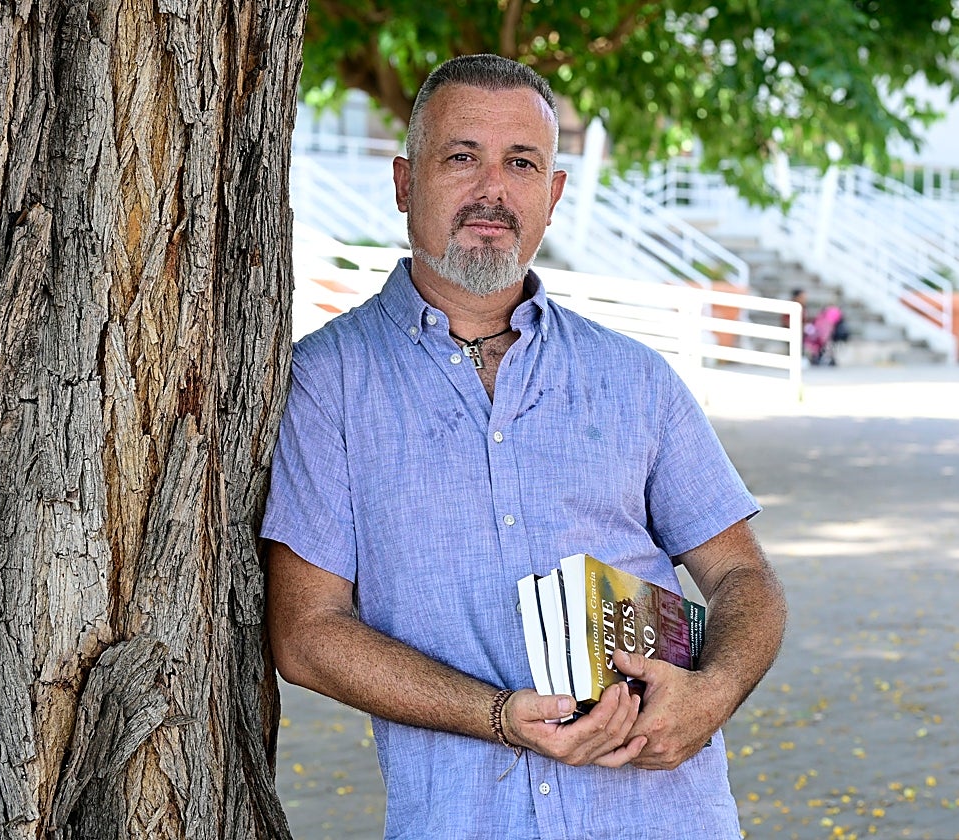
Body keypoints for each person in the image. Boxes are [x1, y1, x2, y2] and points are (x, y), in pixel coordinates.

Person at [263, 54, 787, 839]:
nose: (493, 191)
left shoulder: (635, 378)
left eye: (521, 163)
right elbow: (306, 634)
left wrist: (711, 695)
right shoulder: (326, 383)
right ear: (405, 182)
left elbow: (743, 575)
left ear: (554, 193)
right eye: (461, 157)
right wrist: (497, 714)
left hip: (664, 816)